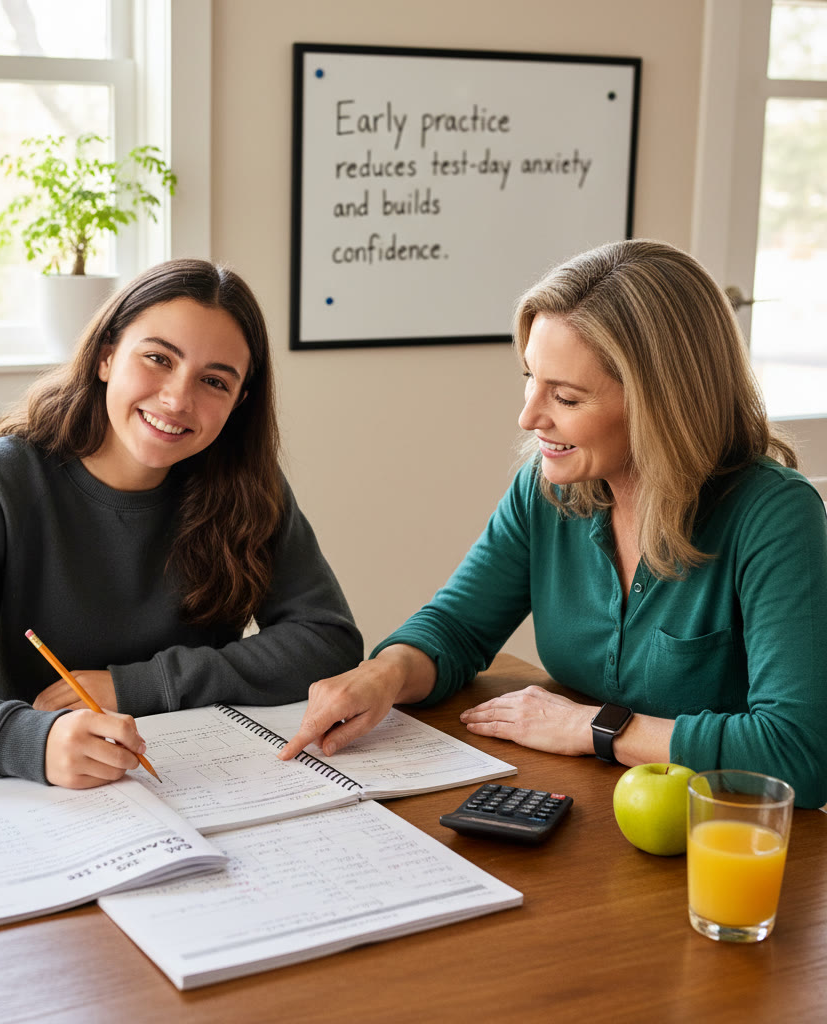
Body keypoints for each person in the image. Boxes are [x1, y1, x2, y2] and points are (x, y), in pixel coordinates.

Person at [280, 239, 827, 809]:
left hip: (725, 839)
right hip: (592, 810)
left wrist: (593, 727)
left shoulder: (774, 516)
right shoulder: (548, 490)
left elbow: (799, 753)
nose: (529, 416)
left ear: (661, 404)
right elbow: (459, 628)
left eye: (564, 397)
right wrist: (385, 674)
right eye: (530, 378)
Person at [0, 259, 362, 789]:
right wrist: (32, 741)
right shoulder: (1, 480)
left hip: (200, 782)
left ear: (238, 403)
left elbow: (327, 639)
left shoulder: (248, 485)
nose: (178, 399)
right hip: (25, 792)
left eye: (214, 381)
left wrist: (140, 686)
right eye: (158, 358)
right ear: (107, 354)